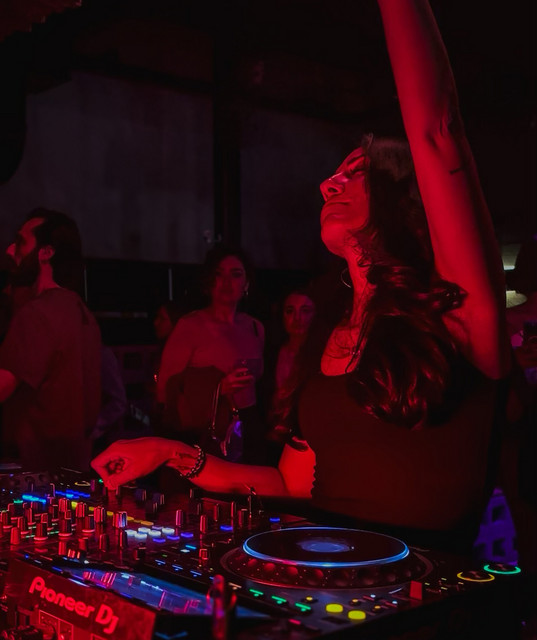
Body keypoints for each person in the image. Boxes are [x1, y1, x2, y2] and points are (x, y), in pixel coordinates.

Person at [92, 0, 515, 560]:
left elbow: (437, 129)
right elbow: (291, 485)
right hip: (324, 584)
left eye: (354, 172)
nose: (326, 184)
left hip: (421, 594)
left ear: (403, 196)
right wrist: (168, 452)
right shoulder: (330, 335)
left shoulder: (456, 309)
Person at [0, 208, 101, 471]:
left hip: (34, 472)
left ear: (45, 252)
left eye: (21, 242)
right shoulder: (82, 313)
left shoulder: (37, 313)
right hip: (73, 470)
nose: (10, 250)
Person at [155, 245, 265, 464]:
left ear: (246, 284)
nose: (226, 282)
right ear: (209, 281)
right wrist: (217, 388)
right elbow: (166, 389)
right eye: (219, 274)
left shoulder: (255, 327)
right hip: (206, 432)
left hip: (249, 426)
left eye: (236, 274)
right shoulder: (190, 326)